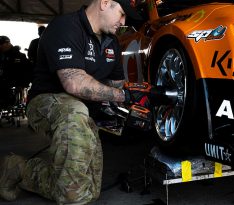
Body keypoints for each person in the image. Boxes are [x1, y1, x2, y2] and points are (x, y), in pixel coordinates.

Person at [0, 0, 148, 204]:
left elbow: (117, 85)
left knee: (88, 191)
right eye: (122, 14)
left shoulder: (111, 42)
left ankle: (20, 169)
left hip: (83, 116)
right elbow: (74, 83)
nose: (123, 22)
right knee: (75, 111)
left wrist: (143, 93)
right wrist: (125, 96)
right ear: (105, 3)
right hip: (46, 104)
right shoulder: (65, 27)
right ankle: (67, 191)